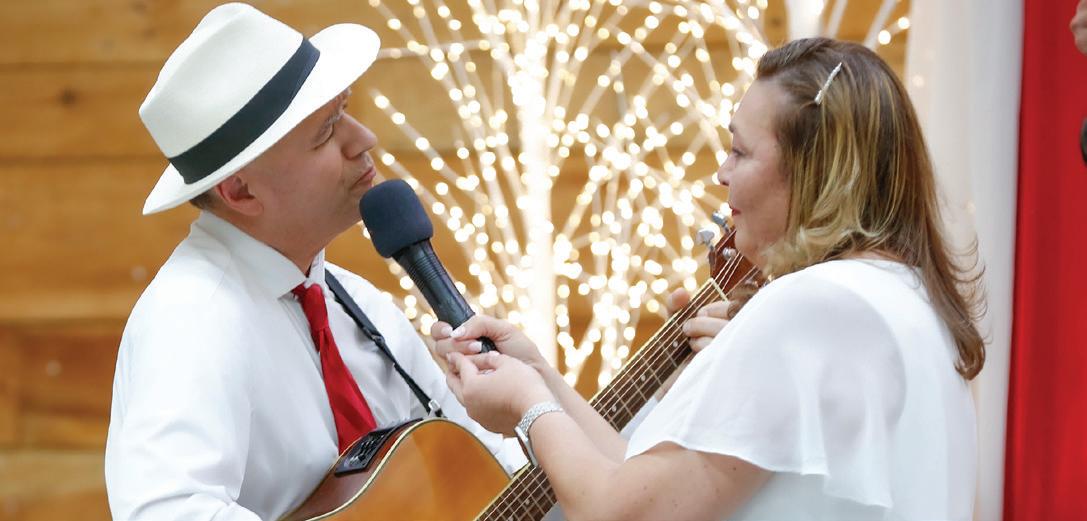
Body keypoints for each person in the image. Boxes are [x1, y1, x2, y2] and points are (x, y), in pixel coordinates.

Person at [433, 37, 985, 521]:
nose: (721, 173)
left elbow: (621, 514)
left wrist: (527, 405)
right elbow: (649, 485)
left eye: (740, 151)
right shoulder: (904, 295)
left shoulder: (813, 304)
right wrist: (539, 374)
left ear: (816, 173)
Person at [103, 4, 522, 520]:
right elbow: (164, 511)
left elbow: (496, 471)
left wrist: (541, 412)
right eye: (326, 131)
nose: (363, 138)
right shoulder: (190, 317)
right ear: (239, 191)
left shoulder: (361, 305)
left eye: (344, 110)